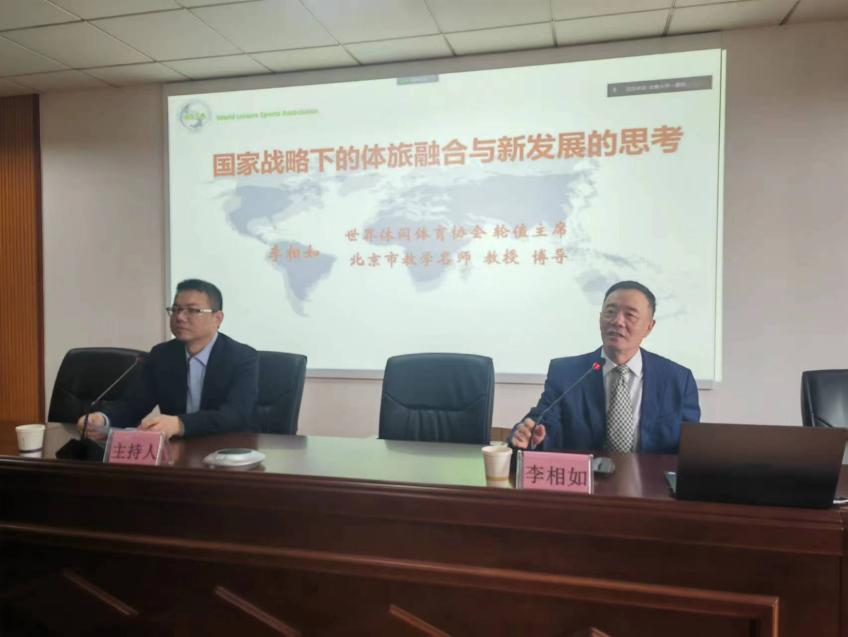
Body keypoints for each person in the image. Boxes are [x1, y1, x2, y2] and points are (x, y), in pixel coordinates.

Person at [511, 280, 700, 454]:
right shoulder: (566, 373)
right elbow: (545, 421)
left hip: (651, 479)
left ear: (649, 327)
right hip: (585, 477)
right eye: (610, 312)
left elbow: (690, 447)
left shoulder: (677, 380)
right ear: (600, 318)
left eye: (630, 315)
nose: (618, 321)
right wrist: (532, 435)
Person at [77, 279, 259, 440]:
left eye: (192, 310)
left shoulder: (242, 357)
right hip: (176, 451)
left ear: (217, 318)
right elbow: (133, 406)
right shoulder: (162, 355)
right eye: (176, 309)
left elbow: (236, 415)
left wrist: (180, 424)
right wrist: (103, 420)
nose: (179, 317)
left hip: (226, 450)